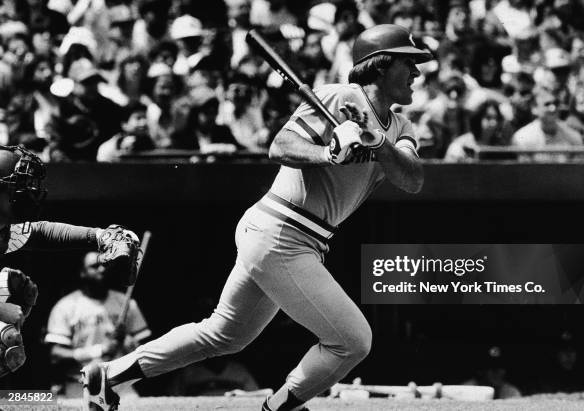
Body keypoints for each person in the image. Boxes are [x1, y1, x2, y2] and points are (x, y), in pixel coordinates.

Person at [81, 24, 430, 411]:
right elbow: (280, 145)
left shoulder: (401, 127)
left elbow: (411, 178)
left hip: (295, 238)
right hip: (281, 230)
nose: (416, 73)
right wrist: (328, 151)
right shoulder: (338, 96)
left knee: (223, 335)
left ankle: (108, 375)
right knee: (352, 340)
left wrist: (376, 142)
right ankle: (279, 407)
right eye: (408, 63)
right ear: (380, 66)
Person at [0, 145, 140, 378]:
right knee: (5, 333)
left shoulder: (4, 228)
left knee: (19, 293)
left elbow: (41, 232)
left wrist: (100, 237)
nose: (29, 192)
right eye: (19, 186)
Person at [45, 251, 150, 397]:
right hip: (80, 384)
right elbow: (56, 355)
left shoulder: (126, 303)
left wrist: (129, 344)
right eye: (95, 266)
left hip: (120, 383)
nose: (101, 269)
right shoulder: (66, 306)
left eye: (105, 265)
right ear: (82, 272)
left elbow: (146, 349)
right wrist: (99, 350)